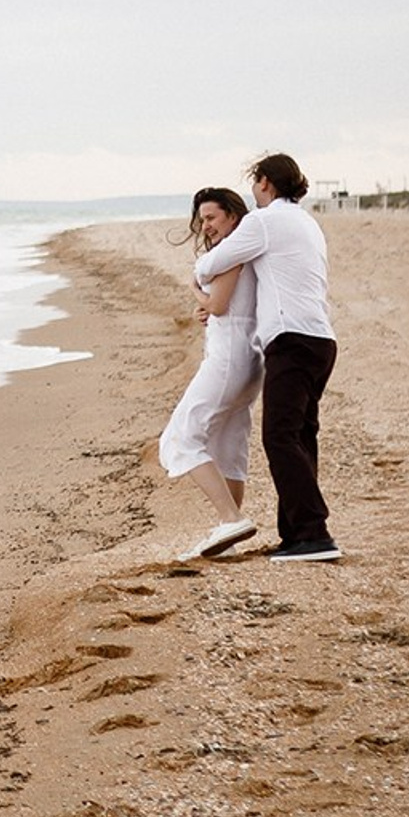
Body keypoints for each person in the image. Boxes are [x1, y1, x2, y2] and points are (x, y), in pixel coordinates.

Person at [190, 151, 340, 563]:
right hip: (321, 340)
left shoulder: (265, 221)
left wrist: (199, 285)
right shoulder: (307, 223)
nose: (253, 192)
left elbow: (213, 262)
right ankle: (296, 534)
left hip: (291, 340)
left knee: (280, 436)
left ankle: (314, 535)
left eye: (255, 183)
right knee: (301, 436)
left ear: (265, 183)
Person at [163, 187, 261, 558]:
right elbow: (227, 306)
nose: (205, 226)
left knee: (180, 438)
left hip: (229, 359)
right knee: (229, 442)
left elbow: (218, 305)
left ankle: (230, 518)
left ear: (233, 216)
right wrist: (208, 308)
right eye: (202, 219)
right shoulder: (248, 253)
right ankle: (229, 535)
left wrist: (195, 291)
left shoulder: (231, 253)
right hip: (251, 359)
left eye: (211, 218)